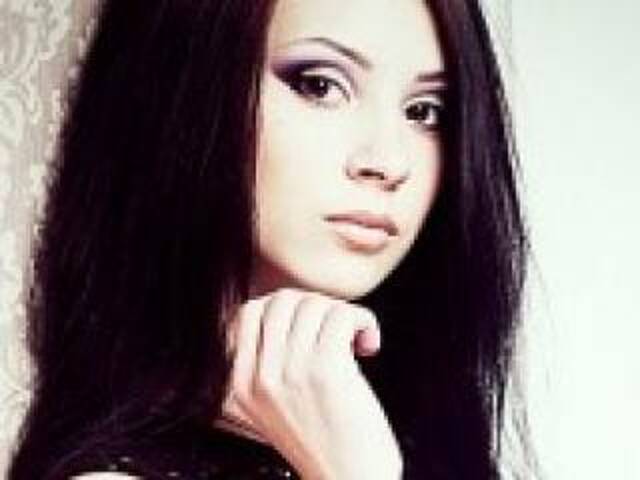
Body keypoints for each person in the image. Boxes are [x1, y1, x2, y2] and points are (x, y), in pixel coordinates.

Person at [8, 0, 531, 478]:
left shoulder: (416, 433)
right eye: (319, 85)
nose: (389, 162)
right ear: (185, 89)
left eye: (424, 111)